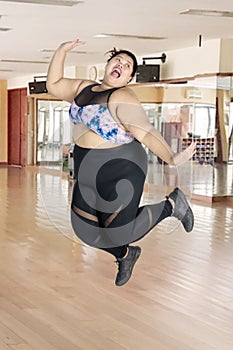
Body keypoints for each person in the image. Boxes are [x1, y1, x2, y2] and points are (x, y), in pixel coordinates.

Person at [46, 39, 196, 287]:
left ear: (128, 78)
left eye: (127, 65)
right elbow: (53, 84)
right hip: (86, 167)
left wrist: (170, 157)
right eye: (118, 60)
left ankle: (172, 205)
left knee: (120, 231)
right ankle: (127, 254)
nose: (121, 64)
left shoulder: (122, 96)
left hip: (121, 167)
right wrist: (61, 50)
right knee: (85, 230)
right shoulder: (84, 87)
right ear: (107, 65)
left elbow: (145, 132)